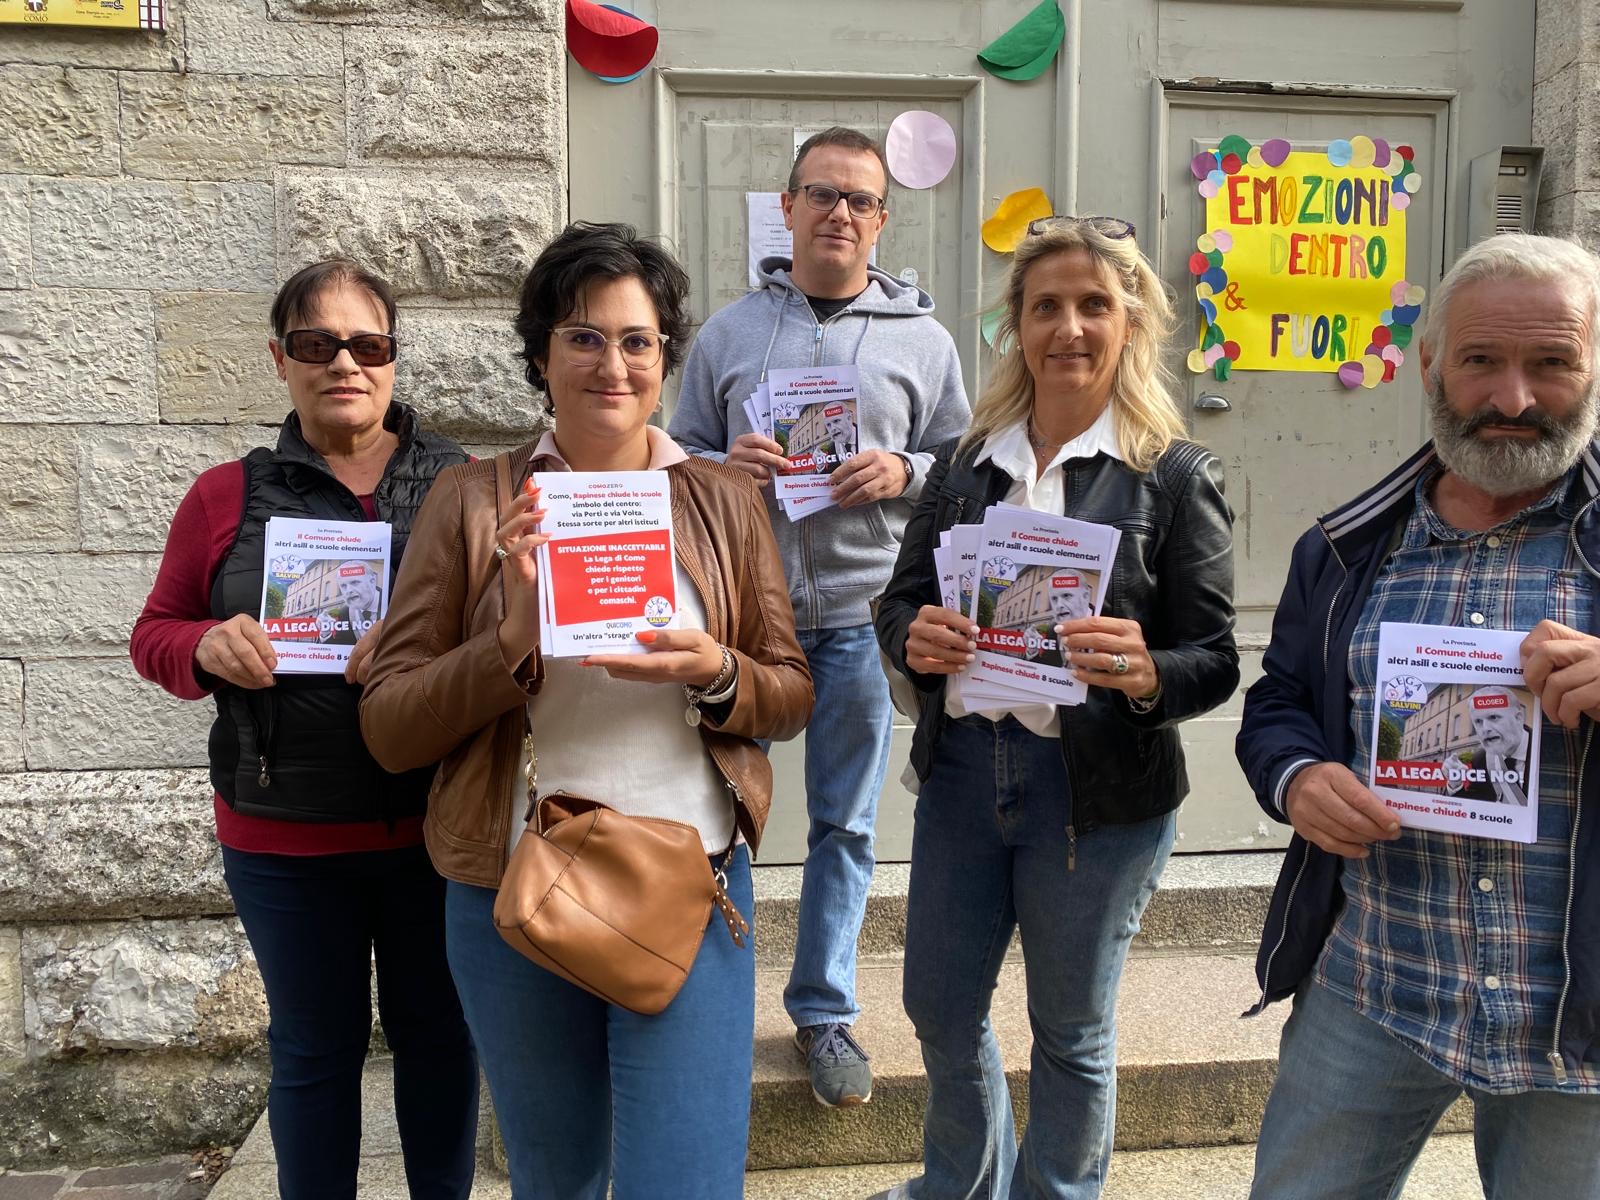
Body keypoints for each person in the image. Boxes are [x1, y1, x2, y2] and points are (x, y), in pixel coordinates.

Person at [358, 222, 814, 1200]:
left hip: (684, 882)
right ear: (540, 354)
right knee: (555, 1180)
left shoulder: (723, 501)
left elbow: (788, 689)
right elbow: (390, 726)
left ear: (665, 361)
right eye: (583, 336)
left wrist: (716, 671)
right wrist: (510, 640)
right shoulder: (474, 500)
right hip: (517, 886)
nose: (613, 363)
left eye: (637, 340)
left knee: (682, 1183)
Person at [873, 216, 1238, 1198]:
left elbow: (1214, 658)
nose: (1068, 326)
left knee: (1069, 1028)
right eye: (1046, 306)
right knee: (941, 1007)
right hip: (964, 777)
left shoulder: (1172, 474)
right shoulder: (962, 465)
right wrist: (913, 636)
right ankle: (959, 1184)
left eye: (1094, 305)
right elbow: (898, 600)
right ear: (1017, 326)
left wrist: (1145, 670)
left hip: (1097, 799)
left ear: (1129, 326)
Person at [1235, 232, 1600, 1200]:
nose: (1513, 399)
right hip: (1375, 987)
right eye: (1481, 360)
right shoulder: (1347, 546)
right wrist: (1297, 777)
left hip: (1580, 1026)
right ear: (1431, 362)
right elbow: (1275, 703)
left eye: (1552, 363)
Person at [129, 260, 478, 1200]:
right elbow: (151, 635)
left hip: (437, 830)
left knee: (440, 1044)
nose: (345, 365)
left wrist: (418, 657)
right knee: (314, 1053)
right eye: (318, 345)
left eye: (368, 346)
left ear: (394, 362)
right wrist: (206, 645)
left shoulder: (464, 484)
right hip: (283, 835)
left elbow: (507, 647)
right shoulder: (221, 497)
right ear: (280, 358)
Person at [669, 126, 970, 1106]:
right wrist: (719, 468)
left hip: (857, 614)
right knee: (717, 811)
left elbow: (968, 471)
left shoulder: (921, 342)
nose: (839, 213)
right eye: (822, 194)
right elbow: (671, 463)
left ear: (881, 221)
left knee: (843, 823)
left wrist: (905, 470)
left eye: (859, 200)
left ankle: (824, 1012)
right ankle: (706, 999)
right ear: (788, 208)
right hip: (743, 621)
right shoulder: (726, 334)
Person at [1442, 685, 1532, 804]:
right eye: (1478, 721)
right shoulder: (1480, 759)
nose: (1485, 729)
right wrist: (1455, 783)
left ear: (1518, 718)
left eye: (1493, 717)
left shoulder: (1546, 749)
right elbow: (1476, 802)